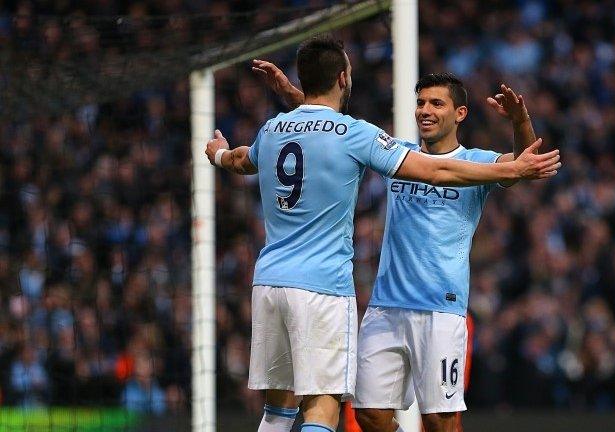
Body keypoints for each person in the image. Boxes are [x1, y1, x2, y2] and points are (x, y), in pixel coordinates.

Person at [205, 36, 560, 432]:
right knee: (370, 416)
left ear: (460, 113)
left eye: (436, 103)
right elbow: (331, 132)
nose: (425, 110)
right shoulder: (399, 153)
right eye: (421, 102)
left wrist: (519, 122)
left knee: (441, 422)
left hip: (440, 309)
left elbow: (529, 164)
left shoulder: (476, 164)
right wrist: (295, 94)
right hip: (385, 308)